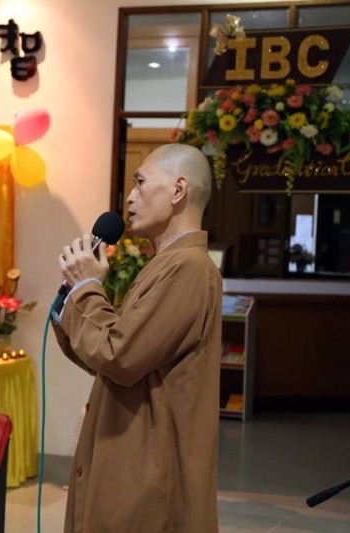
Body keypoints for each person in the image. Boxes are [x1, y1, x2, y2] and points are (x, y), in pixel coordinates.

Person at [53, 143, 222, 532]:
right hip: (125, 447)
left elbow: (120, 356)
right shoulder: (164, 264)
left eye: (140, 182)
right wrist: (74, 294)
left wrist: (88, 288)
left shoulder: (190, 268)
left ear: (178, 190)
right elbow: (107, 352)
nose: (129, 198)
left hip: (147, 464)